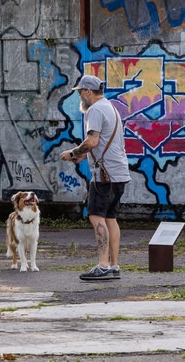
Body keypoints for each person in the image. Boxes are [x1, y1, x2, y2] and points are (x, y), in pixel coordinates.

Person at [59, 75, 131, 281]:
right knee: (110, 219)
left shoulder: (95, 110)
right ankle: (114, 265)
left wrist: (73, 153)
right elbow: (104, 141)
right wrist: (84, 155)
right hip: (118, 173)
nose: (80, 96)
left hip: (104, 176)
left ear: (88, 92)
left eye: (80, 92)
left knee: (96, 217)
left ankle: (102, 265)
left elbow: (92, 140)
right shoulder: (111, 107)